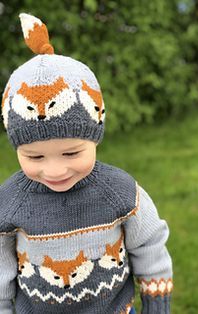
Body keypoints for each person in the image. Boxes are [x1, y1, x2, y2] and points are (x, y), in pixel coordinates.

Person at [0, 13, 173, 314]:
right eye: (34, 157)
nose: (55, 170)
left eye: (71, 153)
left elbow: (149, 244)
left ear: (95, 136)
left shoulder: (118, 191)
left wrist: (156, 301)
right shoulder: (11, 202)